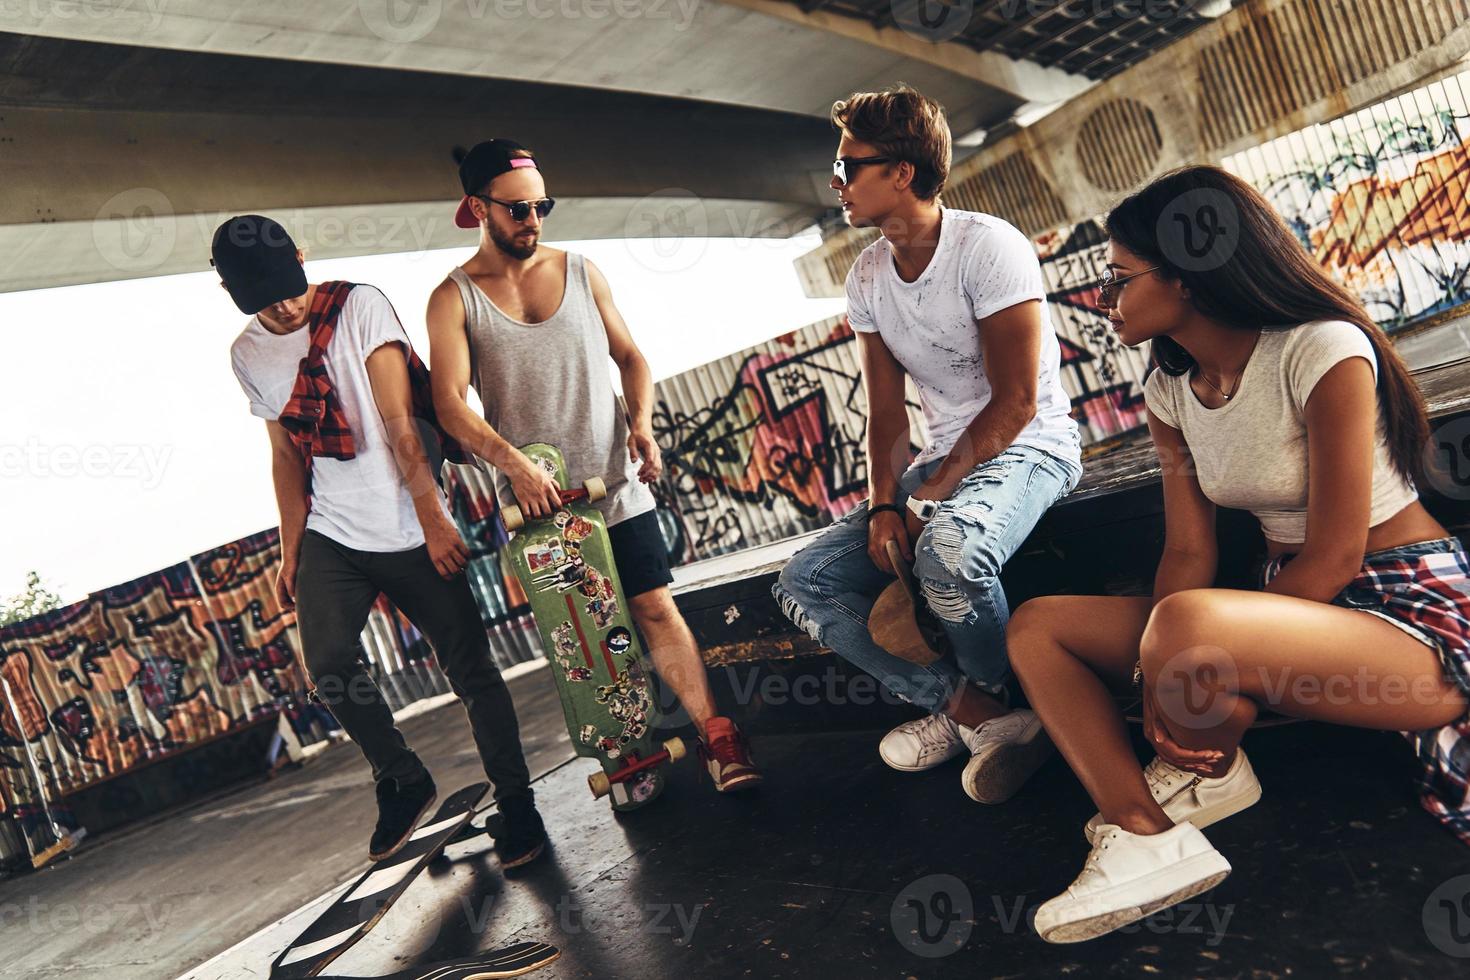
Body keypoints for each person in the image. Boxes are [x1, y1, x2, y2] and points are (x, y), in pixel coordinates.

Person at [1006, 165, 1470, 943]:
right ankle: (1147, 833)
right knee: (1038, 627)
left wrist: (1171, 660)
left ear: (1186, 277)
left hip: (1411, 613)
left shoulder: (1322, 349)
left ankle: (1199, 761)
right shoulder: (1173, 390)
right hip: (1282, 611)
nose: (1103, 301)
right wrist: (1171, 657)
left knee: (1185, 631)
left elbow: (1333, 554)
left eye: (1118, 279)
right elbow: (1188, 551)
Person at [772, 85, 1083, 803]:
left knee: (950, 557)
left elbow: (1016, 403)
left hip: (1030, 450)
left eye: (850, 166)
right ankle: (975, 713)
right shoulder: (868, 276)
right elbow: (886, 416)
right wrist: (886, 505)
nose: (836, 181)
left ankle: (995, 705)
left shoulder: (988, 247)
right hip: (938, 463)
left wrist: (930, 502)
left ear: (901, 173)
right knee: (805, 583)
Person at [426, 139, 761, 793]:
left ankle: (719, 738)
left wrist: (642, 422)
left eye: (542, 206)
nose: (533, 220)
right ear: (477, 207)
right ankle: (625, 752)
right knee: (582, 633)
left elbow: (632, 358)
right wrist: (515, 467)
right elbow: (449, 406)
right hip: (541, 508)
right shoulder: (453, 299)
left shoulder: (582, 271)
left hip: (611, 479)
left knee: (653, 607)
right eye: (518, 209)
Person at [216, 215, 548, 867]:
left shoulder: (357, 306)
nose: (283, 308)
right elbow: (285, 455)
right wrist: (291, 549)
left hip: (406, 518)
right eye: (263, 300)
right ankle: (399, 776)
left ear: (303, 259)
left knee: (471, 670)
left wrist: (429, 510)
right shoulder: (246, 354)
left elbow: (397, 416)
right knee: (332, 664)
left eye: (290, 288)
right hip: (332, 532)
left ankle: (520, 809)